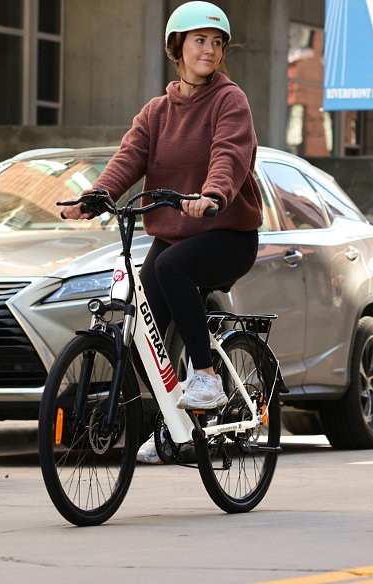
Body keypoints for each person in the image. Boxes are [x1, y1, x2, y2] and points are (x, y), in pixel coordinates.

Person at [61, 1, 263, 464]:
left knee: (172, 268)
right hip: (174, 234)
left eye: (216, 43)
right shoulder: (156, 112)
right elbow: (129, 158)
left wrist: (212, 195)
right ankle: (173, 427)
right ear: (177, 47)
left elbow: (228, 155)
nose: (209, 50)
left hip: (226, 233)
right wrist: (94, 198)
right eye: (199, 41)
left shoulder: (230, 101)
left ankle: (208, 375)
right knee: (144, 326)